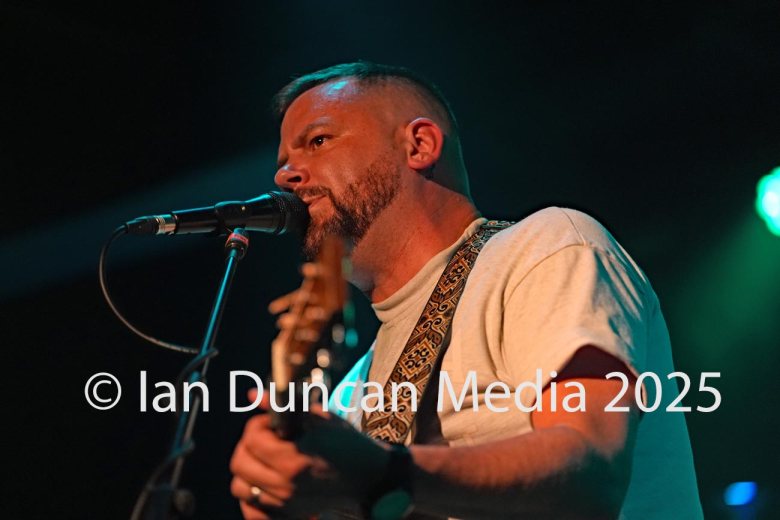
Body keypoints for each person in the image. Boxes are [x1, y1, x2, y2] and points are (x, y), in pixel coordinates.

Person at [229, 61, 702, 519]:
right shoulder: (348, 397)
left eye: (318, 140)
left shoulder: (546, 246)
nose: (284, 176)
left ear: (420, 144)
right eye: (284, 161)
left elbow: (591, 473)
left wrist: (387, 472)